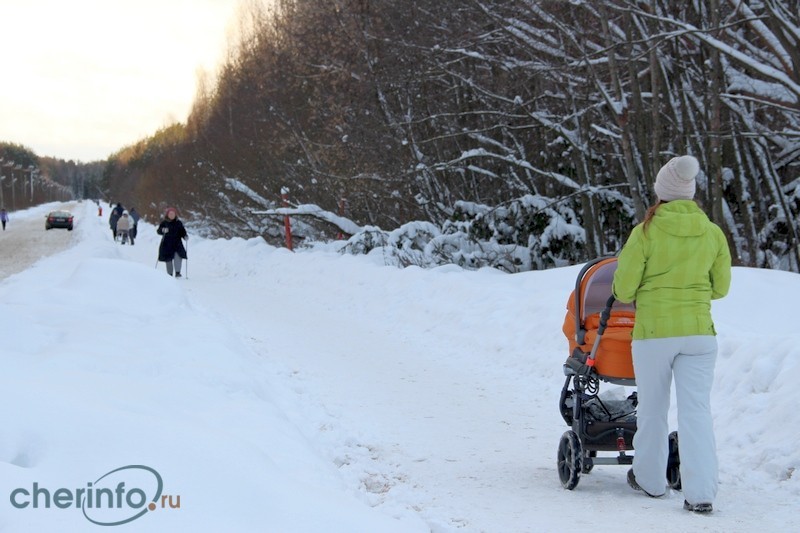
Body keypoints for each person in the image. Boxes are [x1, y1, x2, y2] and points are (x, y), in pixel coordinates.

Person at [612, 155, 731, 513]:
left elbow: (624, 289)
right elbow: (721, 287)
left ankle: (650, 481)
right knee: (697, 411)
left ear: (661, 193)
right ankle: (702, 494)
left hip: (654, 334)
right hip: (699, 334)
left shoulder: (645, 232)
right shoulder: (712, 232)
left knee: (653, 408)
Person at [157, 207, 188, 277]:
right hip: (167, 244)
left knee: (178, 257)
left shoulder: (178, 223)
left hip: (177, 243)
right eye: (170, 214)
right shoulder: (164, 223)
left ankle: (178, 272)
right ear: (167, 215)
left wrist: (185, 236)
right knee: (168, 259)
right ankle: (169, 274)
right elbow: (158, 231)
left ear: (175, 214)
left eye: (173, 214)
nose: (171, 215)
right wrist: (163, 230)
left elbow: (182, 231)